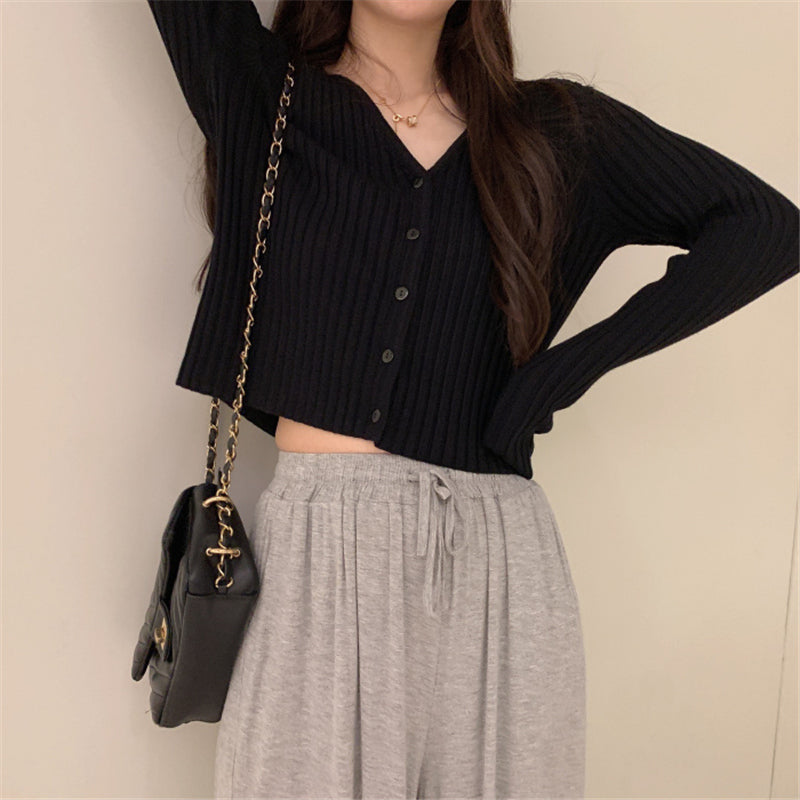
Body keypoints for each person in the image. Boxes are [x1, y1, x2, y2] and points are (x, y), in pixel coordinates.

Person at [144, 1, 799, 798]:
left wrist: (564, 372)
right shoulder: (266, 95)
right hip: (326, 556)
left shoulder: (551, 132)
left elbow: (767, 227)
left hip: (504, 566)